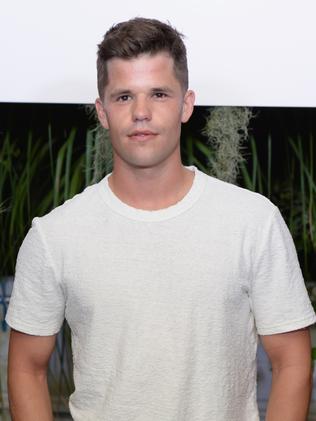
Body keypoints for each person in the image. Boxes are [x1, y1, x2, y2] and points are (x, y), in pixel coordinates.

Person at [6, 17, 316, 421]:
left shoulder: (253, 222)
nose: (141, 112)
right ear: (101, 111)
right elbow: (26, 367)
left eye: (159, 93)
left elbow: (292, 360)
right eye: (123, 97)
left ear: (186, 104)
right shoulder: (55, 235)